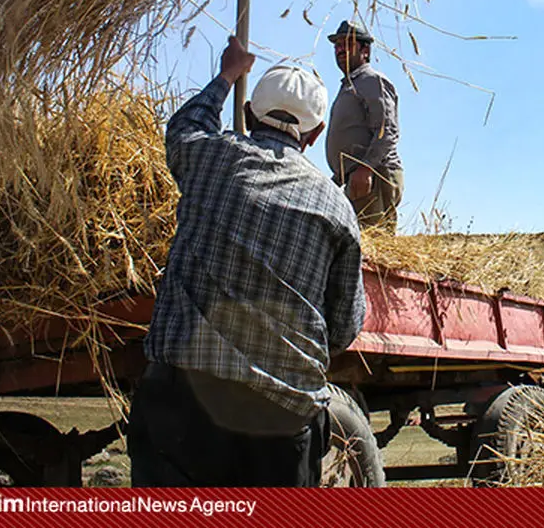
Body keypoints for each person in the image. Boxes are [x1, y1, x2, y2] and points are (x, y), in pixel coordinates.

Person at [128, 36, 367, 488]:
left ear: (250, 114)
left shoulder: (208, 156)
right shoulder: (337, 210)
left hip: (181, 407)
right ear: (315, 136)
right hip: (281, 420)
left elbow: (184, 127)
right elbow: (342, 327)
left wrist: (228, 74)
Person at [324, 20, 403, 233]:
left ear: (364, 50)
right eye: (337, 45)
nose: (340, 50)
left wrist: (366, 167)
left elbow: (387, 131)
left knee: (372, 251)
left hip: (374, 176)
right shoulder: (351, 84)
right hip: (357, 179)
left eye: (347, 44)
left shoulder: (372, 81)